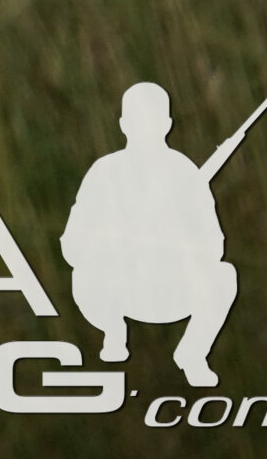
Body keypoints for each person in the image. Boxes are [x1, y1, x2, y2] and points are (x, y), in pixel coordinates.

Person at [68, 81, 240, 389]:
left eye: (151, 120)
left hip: (171, 290)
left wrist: (175, 238)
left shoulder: (186, 174)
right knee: (84, 274)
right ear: (123, 125)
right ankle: (113, 331)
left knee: (224, 277)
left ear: (167, 125)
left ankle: (192, 354)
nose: (145, 129)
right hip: (117, 290)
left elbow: (215, 246)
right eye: (137, 120)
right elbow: (73, 245)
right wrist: (116, 244)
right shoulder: (104, 172)